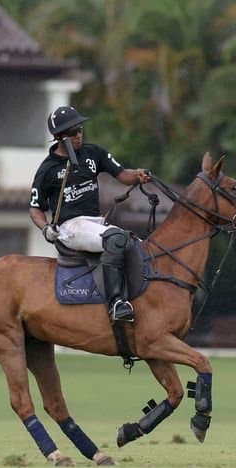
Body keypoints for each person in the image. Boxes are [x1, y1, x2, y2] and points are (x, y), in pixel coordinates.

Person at [29, 105, 152, 323]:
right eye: (72, 132)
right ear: (58, 137)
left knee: (135, 243)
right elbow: (35, 207)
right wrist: (46, 228)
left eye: (80, 129)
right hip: (71, 227)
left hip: (95, 223)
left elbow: (123, 175)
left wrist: (137, 175)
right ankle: (116, 304)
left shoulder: (93, 153)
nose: (79, 135)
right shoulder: (47, 169)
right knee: (115, 239)